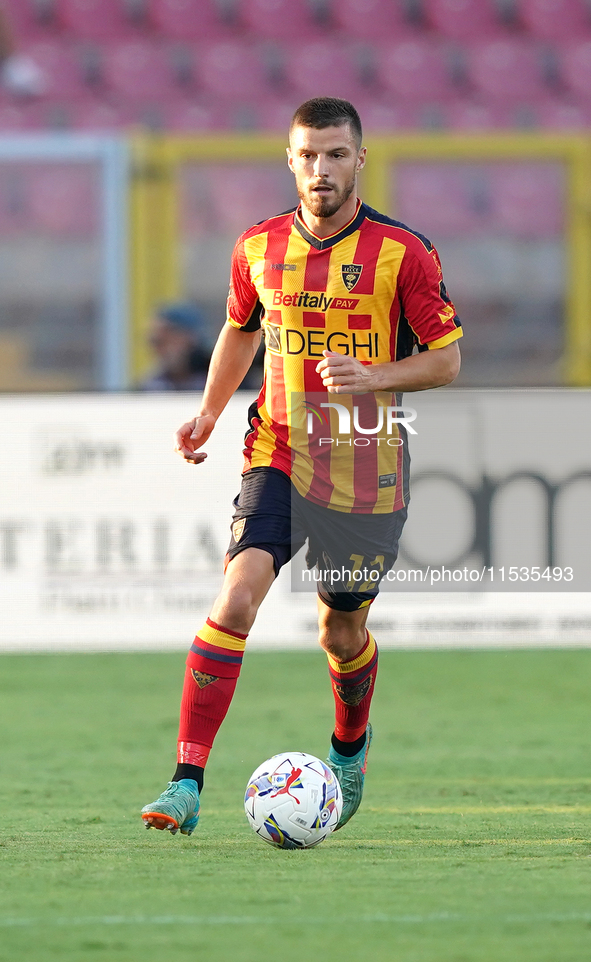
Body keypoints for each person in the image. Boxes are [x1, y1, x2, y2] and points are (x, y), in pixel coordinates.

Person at [141, 97, 462, 837]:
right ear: (289, 160)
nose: (321, 169)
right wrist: (210, 412)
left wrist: (375, 376)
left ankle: (349, 746)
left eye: (336, 155)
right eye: (308, 155)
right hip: (277, 448)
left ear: (359, 160)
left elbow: (446, 360)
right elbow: (238, 329)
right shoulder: (257, 245)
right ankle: (184, 781)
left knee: (339, 630)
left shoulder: (402, 253)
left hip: (363, 462)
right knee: (236, 598)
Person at [140, 303, 211, 392]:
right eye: (157, 342)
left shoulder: (218, 381)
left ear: (191, 337)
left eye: (167, 338)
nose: (160, 349)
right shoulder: (150, 388)